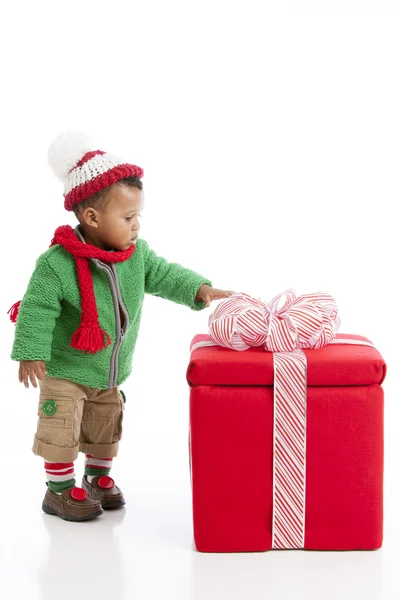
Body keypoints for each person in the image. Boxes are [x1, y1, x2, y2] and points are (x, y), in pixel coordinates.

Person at [9, 130, 233, 522]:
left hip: (108, 372)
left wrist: (198, 288)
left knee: (105, 429)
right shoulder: (57, 264)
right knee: (61, 429)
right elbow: (37, 308)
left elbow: (164, 274)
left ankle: (97, 479)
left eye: (138, 216)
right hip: (65, 371)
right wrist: (31, 353)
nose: (136, 226)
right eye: (128, 217)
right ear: (92, 218)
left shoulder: (137, 256)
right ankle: (60, 491)